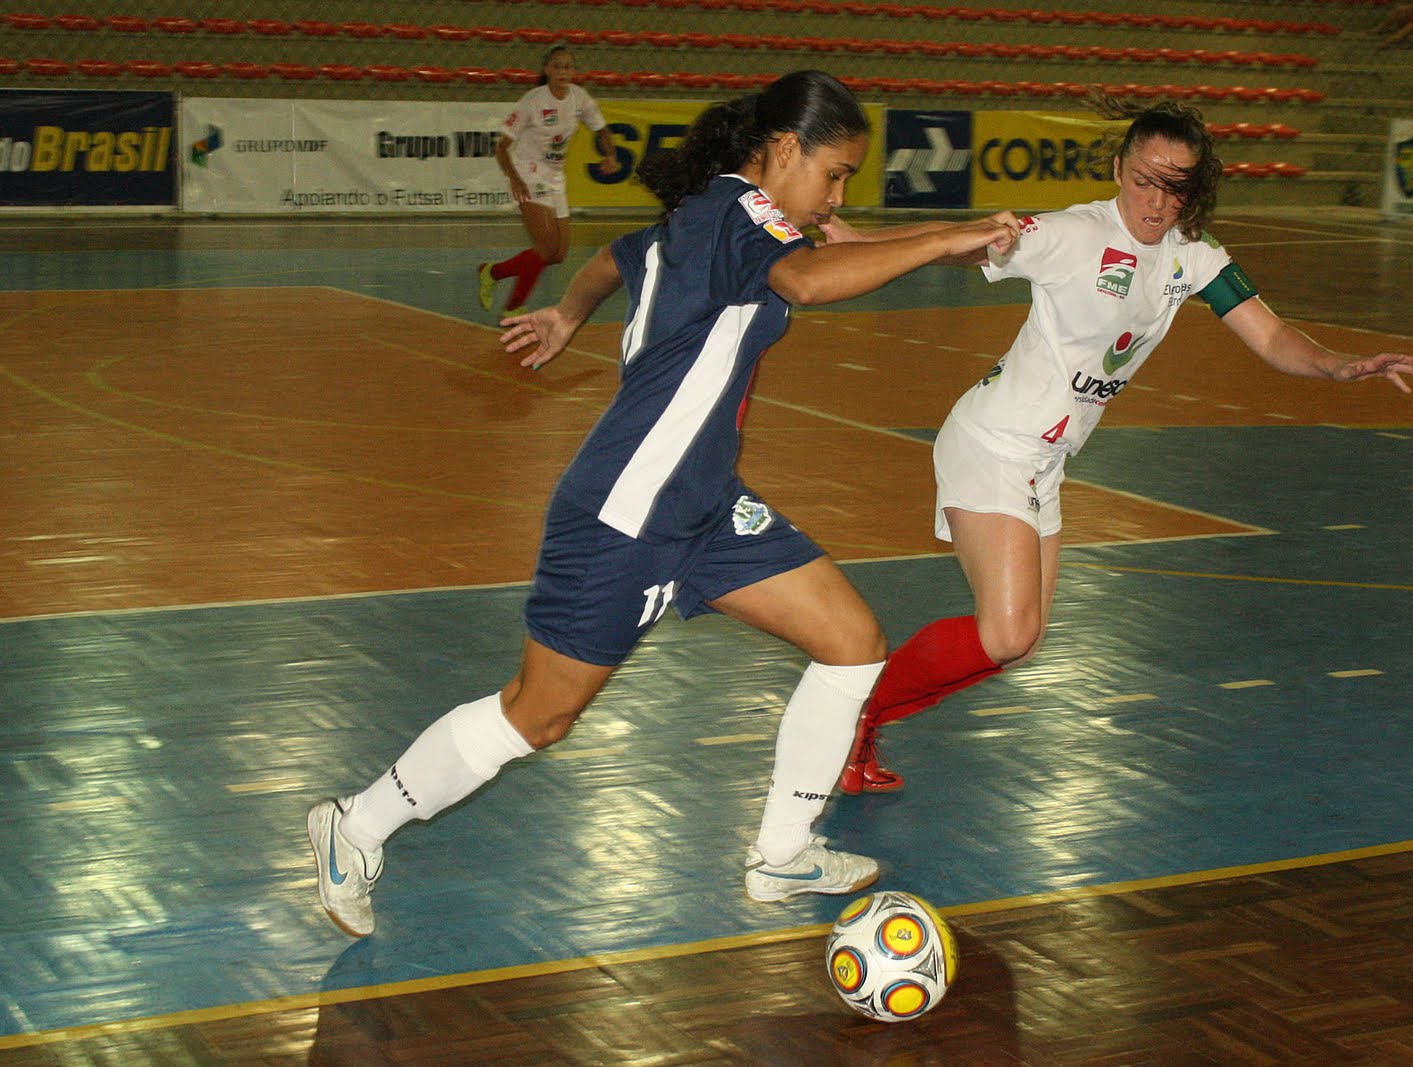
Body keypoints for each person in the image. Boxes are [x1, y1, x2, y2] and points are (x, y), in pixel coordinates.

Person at [308, 70, 1019, 937]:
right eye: (833, 173)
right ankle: (356, 825)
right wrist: (958, 235)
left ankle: (784, 853)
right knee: (540, 711)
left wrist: (568, 315)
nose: (837, 194)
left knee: (852, 641)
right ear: (784, 150)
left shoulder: (712, 218)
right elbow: (808, 283)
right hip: (628, 510)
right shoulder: (741, 215)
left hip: (704, 504)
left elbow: (615, 258)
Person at [823, 99, 1413, 795]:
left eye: (1176, 185)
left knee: (1022, 640)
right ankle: (851, 715)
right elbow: (964, 239)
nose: (1157, 199)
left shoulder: (1193, 254)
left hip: (1044, 461)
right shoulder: (1077, 234)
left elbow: (1270, 334)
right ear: (1118, 169)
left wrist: (1338, 364)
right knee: (1008, 632)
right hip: (993, 441)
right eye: (1144, 179)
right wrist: (861, 239)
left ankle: (860, 726)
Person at [477, 46, 621, 316]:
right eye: (557, 66)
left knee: (558, 255)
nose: (563, 72)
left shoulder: (579, 98)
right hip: (529, 174)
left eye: (568, 67)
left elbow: (602, 130)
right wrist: (516, 180)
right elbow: (502, 147)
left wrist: (610, 154)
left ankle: (492, 272)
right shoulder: (533, 100)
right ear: (546, 70)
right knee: (544, 249)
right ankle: (513, 309)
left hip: (556, 178)